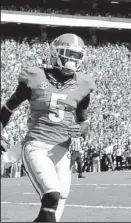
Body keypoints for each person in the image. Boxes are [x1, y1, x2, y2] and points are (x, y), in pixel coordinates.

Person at [0, 33, 95, 222]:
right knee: (51, 194)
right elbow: (9, 107)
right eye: (67, 54)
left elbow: (83, 123)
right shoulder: (35, 76)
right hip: (37, 145)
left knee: (61, 198)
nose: (71, 60)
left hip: (62, 149)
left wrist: (81, 131)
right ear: (54, 53)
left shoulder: (84, 84)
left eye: (76, 56)